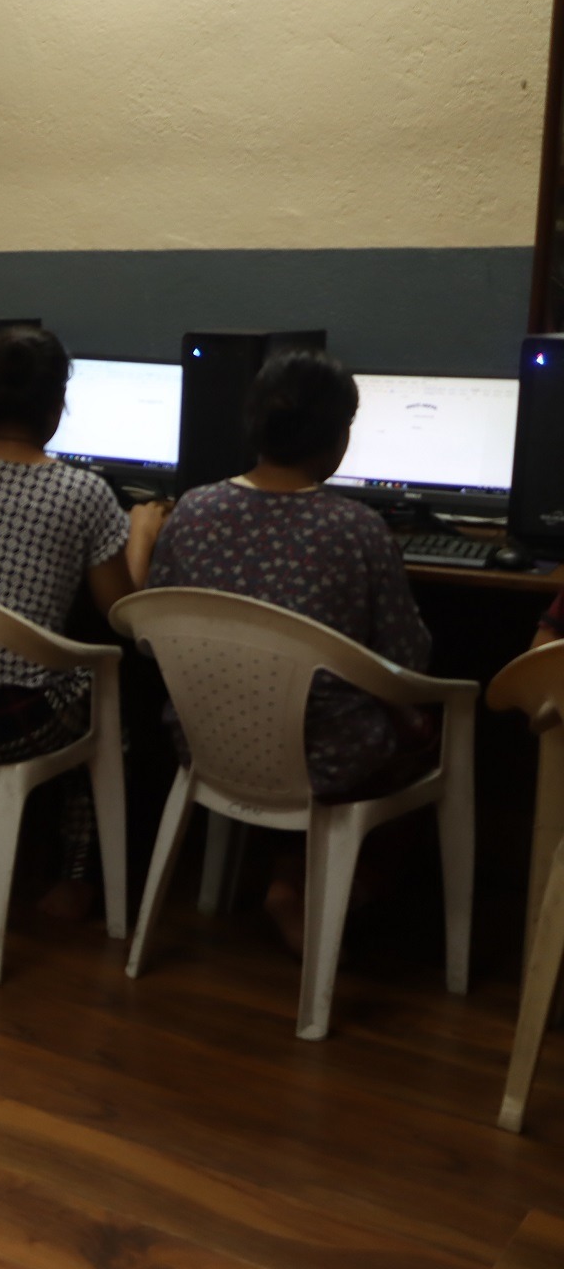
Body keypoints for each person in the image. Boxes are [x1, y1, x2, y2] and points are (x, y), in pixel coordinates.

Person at [151, 349, 434, 952]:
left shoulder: (193, 510)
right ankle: (339, 890)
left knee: (294, 714)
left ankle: (287, 874)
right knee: (424, 732)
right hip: (325, 760)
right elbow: (408, 661)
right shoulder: (356, 528)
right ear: (336, 439)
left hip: (209, 741)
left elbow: (156, 633)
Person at [0, 326, 165, 922]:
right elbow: (123, 617)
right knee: (109, 695)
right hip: (7, 723)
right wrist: (141, 533)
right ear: (56, 406)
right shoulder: (84, 492)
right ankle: (76, 875)